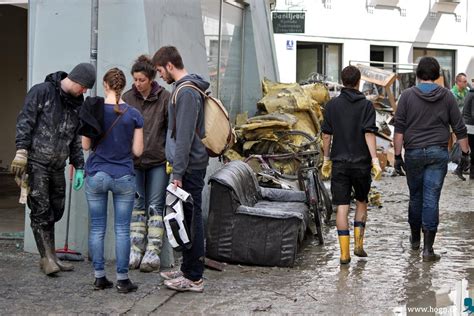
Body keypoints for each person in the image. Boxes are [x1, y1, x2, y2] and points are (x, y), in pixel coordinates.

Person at [11, 63, 96, 276]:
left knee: (56, 209)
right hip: (37, 163)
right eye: (84, 87)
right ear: (77, 80)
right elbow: (25, 121)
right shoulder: (42, 92)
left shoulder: (77, 103)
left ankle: (52, 255)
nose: (84, 92)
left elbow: (75, 137)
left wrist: (79, 166)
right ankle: (46, 258)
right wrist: (21, 151)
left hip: (58, 165)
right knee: (41, 210)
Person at [393, 57, 469, 262]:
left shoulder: (407, 96)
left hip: (414, 153)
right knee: (431, 198)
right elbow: (459, 128)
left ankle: (415, 240)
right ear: (437, 75)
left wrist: (397, 156)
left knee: (416, 196)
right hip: (437, 154)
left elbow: (399, 129)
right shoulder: (447, 97)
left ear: (418, 74)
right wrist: (465, 154)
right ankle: (428, 250)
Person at [81, 68, 144, 293]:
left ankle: (99, 277)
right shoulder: (134, 114)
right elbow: (138, 150)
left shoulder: (92, 110)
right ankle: (123, 280)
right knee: (122, 230)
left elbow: (86, 146)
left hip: (97, 175)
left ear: (105, 85)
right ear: (123, 86)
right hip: (124, 176)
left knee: (97, 227)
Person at [152, 46, 209, 292]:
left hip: (188, 169)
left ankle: (194, 277)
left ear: (169, 66)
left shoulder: (185, 92)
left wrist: (177, 173)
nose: (159, 76)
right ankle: (187, 268)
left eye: (159, 70)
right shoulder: (186, 88)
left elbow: (184, 136)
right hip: (188, 166)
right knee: (184, 219)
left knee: (191, 220)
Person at [321, 65, 382, 265]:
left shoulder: (332, 106)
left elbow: (327, 135)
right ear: (358, 82)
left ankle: (344, 254)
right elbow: (369, 133)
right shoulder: (366, 106)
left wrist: (326, 159)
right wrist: (374, 159)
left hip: (339, 163)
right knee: (362, 201)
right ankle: (359, 245)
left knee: (342, 207)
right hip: (361, 163)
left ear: (342, 80)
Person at [122, 55, 171, 272]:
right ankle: (135, 250)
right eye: (135, 79)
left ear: (151, 79)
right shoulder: (127, 98)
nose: (137, 84)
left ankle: (153, 252)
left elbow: (171, 130)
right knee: (137, 206)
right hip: (133, 161)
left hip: (158, 161)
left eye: (141, 79)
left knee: (155, 206)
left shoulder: (165, 98)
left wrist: (171, 157)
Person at [461, 88, 474, 180]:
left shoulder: (469, 93)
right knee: (472, 150)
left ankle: (462, 169)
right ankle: (471, 173)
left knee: (471, 150)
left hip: (468, 125)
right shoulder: (473, 95)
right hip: (471, 126)